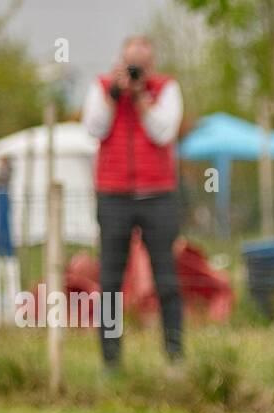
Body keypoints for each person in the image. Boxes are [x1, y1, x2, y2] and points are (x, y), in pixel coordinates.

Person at [81, 35, 185, 369]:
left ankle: (175, 356)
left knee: (166, 280)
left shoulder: (166, 90)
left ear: (152, 65)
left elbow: (163, 133)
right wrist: (114, 95)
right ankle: (111, 362)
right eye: (130, 65)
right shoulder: (101, 89)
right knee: (110, 282)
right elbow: (94, 128)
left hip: (158, 197)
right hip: (113, 197)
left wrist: (141, 98)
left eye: (141, 65)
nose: (135, 71)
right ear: (120, 62)